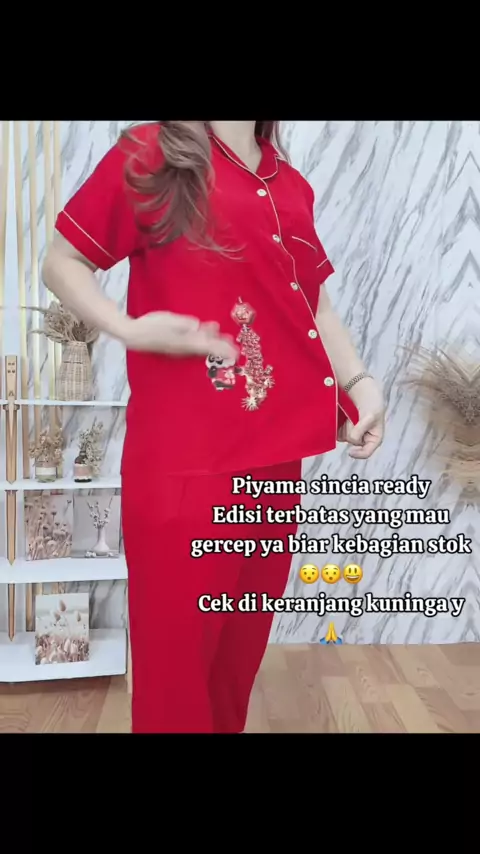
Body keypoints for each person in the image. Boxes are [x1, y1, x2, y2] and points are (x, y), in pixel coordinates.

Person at [42, 121, 385, 734]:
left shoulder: (289, 184)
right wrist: (126, 327)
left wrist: (359, 382)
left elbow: (313, 302)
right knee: (174, 679)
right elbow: (62, 261)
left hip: (275, 468)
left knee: (233, 669)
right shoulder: (153, 152)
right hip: (185, 466)